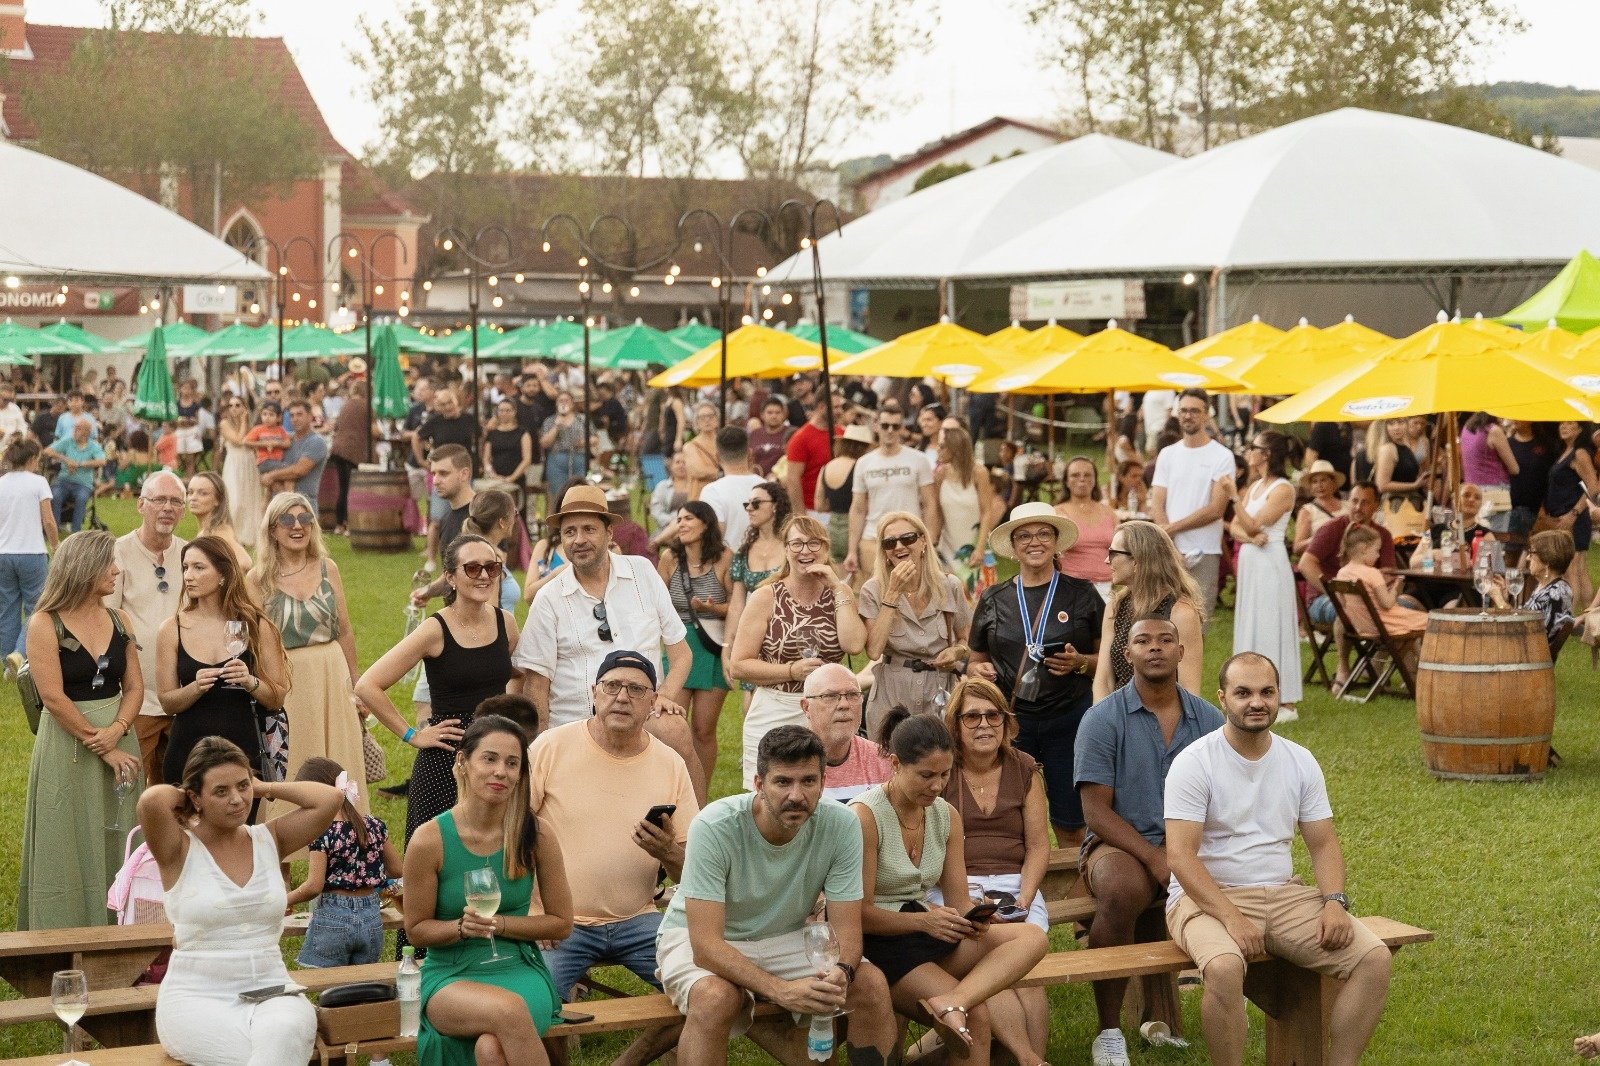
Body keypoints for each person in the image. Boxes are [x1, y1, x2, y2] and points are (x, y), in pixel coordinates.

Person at [1165, 652, 1393, 1066]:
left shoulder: (1299, 760)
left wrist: (1334, 902)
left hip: (1284, 896)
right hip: (1207, 900)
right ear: (1222, 698)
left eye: (1267, 692)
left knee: (1374, 959)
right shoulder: (1194, 762)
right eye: (1243, 693)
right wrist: (1232, 916)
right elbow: (1181, 857)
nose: (1257, 702)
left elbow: (1323, 843)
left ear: (1278, 696)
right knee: (1224, 968)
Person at [656, 725, 899, 1065]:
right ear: (759, 784)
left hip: (782, 936)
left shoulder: (842, 825)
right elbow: (706, 947)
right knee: (715, 998)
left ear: (823, 783)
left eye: (808, 781)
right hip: (703, 938)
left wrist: (841, 972)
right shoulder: (714, 826)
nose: (797, 795)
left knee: (869, 985)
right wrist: (781, 990)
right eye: (783, 782)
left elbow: (848, 934)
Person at [527, 650, 699, 1066]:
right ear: (594, 693)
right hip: (559, 922)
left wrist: (667, 853)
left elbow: (693, 865)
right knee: (532, 1003)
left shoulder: (670, 763)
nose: (622, 697)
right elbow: (510, 833)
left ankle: (627, 1062)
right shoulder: (551, 747)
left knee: (708, 992)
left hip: (640, 920)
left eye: (636, 689)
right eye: (612, 686)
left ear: (653, 701)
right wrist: (532, 910)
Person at [853, 710, 1050, 1066]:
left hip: (927, 929)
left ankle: (951, 1001)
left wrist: (974, 919)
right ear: (896, 764)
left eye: (944, 775)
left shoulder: (946, 815)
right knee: (976, 1019)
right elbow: (859, 915)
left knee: (1033, 937)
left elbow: (958, 900)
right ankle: (957, 1007)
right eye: (926, 775)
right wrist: (925, 922)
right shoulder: (865, 816)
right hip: (882, 943)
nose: (937, 785)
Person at [1075, 616, 1224, 1066]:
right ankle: (1108, 1031)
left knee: (1265, 884)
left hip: (1190, 842)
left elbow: (1226, 795)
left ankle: (1186, 1012)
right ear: (1128, 654)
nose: (1155, 648)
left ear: (1181, 651)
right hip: (1118, 842)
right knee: (1123, 891)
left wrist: (1182, 854)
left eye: (1165, 640)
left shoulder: (1209, 719)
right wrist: (1157, 856)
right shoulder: (1102, 718)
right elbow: (1095, 811)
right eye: (1143, 641)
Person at [142, 738, 342, 1066]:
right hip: (197, 997)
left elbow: (330, 798)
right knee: (256, 1057)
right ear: (195, 797)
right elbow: (152, 800)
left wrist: (262, 786)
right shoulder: (178, 850)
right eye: (221, 791)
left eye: (242, 786)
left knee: (285, 1031)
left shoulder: (270, 839)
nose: (237, 800)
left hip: (272, 989)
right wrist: (190, 794)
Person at [514, 484, 707, 800]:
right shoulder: (549, 599)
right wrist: (543, 744)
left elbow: (682, 653)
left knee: (674, 729)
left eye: (589, 529)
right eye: (569, 532)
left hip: (641, 714)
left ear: (609, 532)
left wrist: (665, 696)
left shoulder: (643, 573)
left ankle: (699, 833)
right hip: (579, 721)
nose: (579, 540)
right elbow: (536, 686)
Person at [401, 713, 571, 1065]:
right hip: (450, 976)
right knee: (508, 1011)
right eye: (489, 759)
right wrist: (460, 928)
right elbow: (416, 931)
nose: (501, 772)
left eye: (512, 763)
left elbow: (560, 923)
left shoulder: (536, 834)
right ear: (463, 762)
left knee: (490, 1050)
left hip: (520, 970)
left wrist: (500, 925)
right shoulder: (429, 840)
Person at [358, 534, 522, 854]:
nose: (485, 576)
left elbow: (512, 673)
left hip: (497, 756)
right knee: (438, 858)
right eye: (473, 568)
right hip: (447, 758)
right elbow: (368, 685)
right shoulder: (435, 630)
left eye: (492, 567)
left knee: (496, 852)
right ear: (450, 578)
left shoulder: (507, 624)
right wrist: (412, 734)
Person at [17, 531, 143, 929]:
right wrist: (105, 747)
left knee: (121, 829)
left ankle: (123, 924)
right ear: (84, 568)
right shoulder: (44, 623)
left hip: (121, 736)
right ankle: (66, 929)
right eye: (108, 564)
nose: (116, 571)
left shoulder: (118, 619)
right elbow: (52, 698)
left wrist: (120, 729)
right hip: (69, 743)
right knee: (67, 838)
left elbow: (136, 686)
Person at [968, 502, 1102, 845]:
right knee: (1011, 821)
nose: (1034, 542)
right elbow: (974, 660)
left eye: (1044, 533)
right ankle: (1023, 894)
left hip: (1069, 719)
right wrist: (978, 670)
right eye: (1024, 536)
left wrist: (1081, 663)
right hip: (1012, 724)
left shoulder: (1081, 593)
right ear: (1013, 546)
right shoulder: (994, 598)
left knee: (1071, 823)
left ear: (1056, 542)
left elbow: (1111, 661)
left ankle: (1074, 891)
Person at [932, 678, 1053, 1053]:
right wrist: (965, 899)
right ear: (955, 724)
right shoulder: (941, 771)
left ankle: (1029, 1058)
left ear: (1006, 721)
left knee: (1026, 976)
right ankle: (1029, 1059)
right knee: (991, 961)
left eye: (993, 715)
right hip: (955, 885)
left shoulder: (1024, 769)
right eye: (972, 717)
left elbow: (1037, 845)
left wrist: (1026, 896)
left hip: (1017, 884)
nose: (984, 725)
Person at [728, 515, 867, 790]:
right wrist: (791, 670)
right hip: (776, 706)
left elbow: (853, 645)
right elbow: (739, 665)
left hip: (826, 710)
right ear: (786, 550)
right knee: (770, 796)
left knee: (822, 792)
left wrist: (837, 587)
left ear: (826, 549)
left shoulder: (840, 593)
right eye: (797, 544)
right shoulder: (767, 596)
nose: (806, 551)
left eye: (814, 543)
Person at [252, 492, 367, 810]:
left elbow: (344, 630)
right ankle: (285, 847)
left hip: (332, 674)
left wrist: (355, 682)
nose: (298, 526)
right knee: (289, 763)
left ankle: (343, 839)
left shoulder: (328, 568)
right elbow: (254, 643)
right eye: (288, 519)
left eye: (305, 518)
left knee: (338, 758)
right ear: (273, 529)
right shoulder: (258, 579)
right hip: (286, 679)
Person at [157, 536, 291, 788]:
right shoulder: (172, 628)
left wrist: (250, 682)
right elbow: (167, 702)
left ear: (222, 574)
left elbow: (277, 698)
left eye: (199, 567)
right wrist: (194, 688)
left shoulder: (256, 626)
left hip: (242, 752)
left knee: (240, 826)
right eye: (185, 567)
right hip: (187, 753)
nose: (188, 576)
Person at [106, 471, 188, 784]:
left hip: (184, 693)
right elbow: (109, 621)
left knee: (183, 788)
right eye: (159, 500)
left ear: (183, 510)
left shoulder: (190, 553)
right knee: (134, 787)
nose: (168, 508)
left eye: (176, 502)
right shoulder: (118, 552)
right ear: (141, 505)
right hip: (138, 696)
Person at [858, 510, 971, 735]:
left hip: (938, 692)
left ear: (923, 542)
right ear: (885, 552)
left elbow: (966, 641)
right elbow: (874, 650)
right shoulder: (872, 590)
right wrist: (892, 593)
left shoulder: (949, 585)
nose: (899, 546)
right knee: (889, 764)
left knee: (939, 763)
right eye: (890, 543)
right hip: (893, 694)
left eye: (907, 538)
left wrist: (956, 653)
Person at [285, 758, 399, 967]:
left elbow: (313, 886)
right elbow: (397, 869)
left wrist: (284, 900)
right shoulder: (374, 825)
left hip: (333, 919)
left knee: (330, 991)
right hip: (371, 919)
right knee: (362, 989)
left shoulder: (321, 830)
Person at [1230, 431, 1304, 720]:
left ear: (1267, 454)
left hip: (1271, 563)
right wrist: (1249, 538)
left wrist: (1233, 497)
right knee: (1252, 621)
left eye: (1254, 447)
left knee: (1272, 623)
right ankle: (1248, 690)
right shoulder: (1255, 486)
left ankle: (1284, 700)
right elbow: (1236, 528)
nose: (1249, 452)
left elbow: (1252, 524)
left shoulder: (1283, 489)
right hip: (1252, 560)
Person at [1095, 521, 1208, 710]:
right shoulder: (1115, 607)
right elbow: (1103, 680)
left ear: (1138, 561)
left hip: (1163, 720)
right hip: (1118, 717)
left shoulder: (1180, 613)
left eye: (1113, 553)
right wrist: (1100, 722)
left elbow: (1190, 691)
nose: (1107, 560)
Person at [657, 500, 732, 780]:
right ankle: (674, 785)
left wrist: (712, 608)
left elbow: (737, 608)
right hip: (679, 645)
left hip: (712, 645)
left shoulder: (725, 557)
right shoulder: (670, 558)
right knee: (672, 725)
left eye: (688, 518)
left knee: (703, 728)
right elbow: (656, 603)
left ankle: (701, 791)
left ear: (706, 523)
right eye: (679, 520)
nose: (682, 524)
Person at [1297, 483, 1396, 688]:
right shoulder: (1332, 528)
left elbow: (1388, 574)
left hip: (1369, 597)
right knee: (1346, 608)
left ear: (1376, 506)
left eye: (1365, 502)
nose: (1358, 507)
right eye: (1354, 501)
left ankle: (1374, 667)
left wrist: (1374, 589)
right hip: (1324, 599)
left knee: (1407, 605)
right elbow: (1306, 563)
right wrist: (1335, 592)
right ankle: (1343, 668)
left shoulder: (1382, 535)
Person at [1149, 389, 1234, 618]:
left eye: (1195, 411)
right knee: (1162, 622)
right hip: (1168, 551)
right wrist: (1170, 544)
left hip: (1204, 549)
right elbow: (1157, 502)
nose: (1188, 416)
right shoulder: (1167, 454)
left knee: (1197, 622)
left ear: (1207, 415)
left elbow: (1216, 510)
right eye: (1184, 410)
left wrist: (1170, 529)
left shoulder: (1222, 456)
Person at [845, 401, 937, 581]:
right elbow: (858, 508)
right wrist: (851, 551)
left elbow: (930, 504)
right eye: (885, 425)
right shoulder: (864, 463)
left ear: (902, 428)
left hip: (910, 538)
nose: (890, 430)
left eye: (895, 426)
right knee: (876, 596)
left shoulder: (918, 460)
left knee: (913, 593)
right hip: (873, 538)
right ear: (876, 426)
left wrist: (930, 541)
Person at [1333, 524, 1428, 673]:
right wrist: (1397, 587)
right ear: (1364, 549)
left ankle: (1414, 673)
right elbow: (1388, 603)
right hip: (1384, 626)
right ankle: (1425, 670)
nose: (1378, 556)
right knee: (1430, 620)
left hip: (1361, 627)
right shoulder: (1372, 573)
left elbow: (1343, 603)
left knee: (1412, 631)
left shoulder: (1342, 573)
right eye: (1376, 550)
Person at [0, 438, 56, 675]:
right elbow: (49, 521)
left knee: (7, 608)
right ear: (32, 460)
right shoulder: (39, 482)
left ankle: (6, 663)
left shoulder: (1, 483)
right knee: (38, 606)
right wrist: (56, 545)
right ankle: (20, 652)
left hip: (4, 553)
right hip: (33, 552)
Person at [800, 662, 892, 802]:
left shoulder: (882, 760)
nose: (844, 704)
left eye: (852, 694)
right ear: (806, 707)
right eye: (830, 696)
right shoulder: (786, 760)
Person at [1491, 529, 1575, 655]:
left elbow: (1520, 632)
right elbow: (1524, 622)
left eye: (1532, 553)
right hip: (1522, 653)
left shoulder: (1555, 594)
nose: (1528, 557)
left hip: (1527, 659)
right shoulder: (1546, 587)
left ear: (1546, 560)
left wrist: (1499, 601)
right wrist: (1506, 597)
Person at [1546, 421, 1600, 607]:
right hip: (1563, 517)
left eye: (1571, 424)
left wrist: (1574, 513)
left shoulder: (1580, 453)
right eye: (1562, 423)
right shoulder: (1566, 451)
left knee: (1571, 570)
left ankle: (1567, 619)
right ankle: (1588, 617)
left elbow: (1593, 486)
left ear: (1580, 429)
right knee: (1580, 570)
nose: (1564, 426)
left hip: (1573, 519)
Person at [933, 424, 998, 572]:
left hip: (975, 544)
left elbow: (987, 512)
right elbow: (938, 513)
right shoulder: (940, 474)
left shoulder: (979, 473)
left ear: (954, 448)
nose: (938, 450)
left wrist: (980, 548)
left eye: (943, 446)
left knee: (978, 593)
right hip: (948, 545)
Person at [1056, 456, 1119, 600]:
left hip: (1106, 586)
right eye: (1075, 475)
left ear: (1095, 479)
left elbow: (1123, 550)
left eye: (1087, 474)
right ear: (1066, 481)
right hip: (1071, 586)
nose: (1082, 479)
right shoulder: (1057, 513)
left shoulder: (1109, 512)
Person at [700, 425, 766, 551]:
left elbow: (713, 539)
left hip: (730, 566)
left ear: (717, 457)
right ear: (749, 453)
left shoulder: (712, 492)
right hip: (768, 564)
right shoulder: (768, 487)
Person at [261, 401, 331, 512]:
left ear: (310, 417)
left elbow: (299, 470)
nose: (295, 419)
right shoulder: (286, 441)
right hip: (278, 504)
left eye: (299, 414)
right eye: (292, 415)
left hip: (304, 505)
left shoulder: (316, 442)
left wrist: (271, 476)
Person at [328, 379, 375, 536]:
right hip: (354, 451)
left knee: (342, 488)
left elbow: (336, 426)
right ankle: (349, 523)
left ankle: (339, 524)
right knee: (351, 489)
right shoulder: (366, 406)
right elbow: (375, 431)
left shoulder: (345, 405)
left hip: (338, 448)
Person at [786, 389, 841, 523]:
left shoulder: (841, 433)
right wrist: (801, 516)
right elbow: (793, 479)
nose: (840, 411)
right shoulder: (801, 438)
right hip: (813, 511)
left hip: (840, 511)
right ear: (822, 407)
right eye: (836, 407)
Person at [46, 413, 105, 534]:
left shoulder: (93, 446)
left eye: (78, 428)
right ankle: (55, 529)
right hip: (64, 481)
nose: (74, 431)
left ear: (87, 432)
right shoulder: (68, 441)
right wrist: (66, 459)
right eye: (74, 428)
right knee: (54, 495)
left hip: (83, 484)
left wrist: (79, 464)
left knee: (81, 498)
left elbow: (102, 461)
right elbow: (47, 451)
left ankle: (76, 532)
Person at [216, 394, 263, 548]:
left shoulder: (252, 425)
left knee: (248, 499)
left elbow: (254, 444)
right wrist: (243, 421)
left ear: (244, 408)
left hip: (248, 463)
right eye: (231, 405)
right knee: (234, 499)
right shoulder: (224, 424)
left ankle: (247, 535)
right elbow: (238, 440)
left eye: (238, 405)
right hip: (234, 464)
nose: (234, 409)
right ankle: (231, 535)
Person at [1460, 412, 1518, 533]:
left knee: (1473, 534)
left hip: (1470, 489)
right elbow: (1514, 468)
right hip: (1494, 492)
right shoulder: (1493, 431)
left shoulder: (1467, 428)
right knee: (1495, 542)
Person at [186, 471, 251, 570]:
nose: (193, 498)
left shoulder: (219, 532)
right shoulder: (207, 531)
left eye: (203, 493)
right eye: (190, 492)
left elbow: (244, 561)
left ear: (218, 500)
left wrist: (218, 580)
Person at [1507, 421, 1558, 538]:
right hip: (1511, 507)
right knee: (1510, 552)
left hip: (1537, 509)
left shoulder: (1545, 445)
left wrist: (1544, 506)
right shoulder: (1507, 444)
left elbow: (1551, 477)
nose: (1515, 419)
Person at [539, 390, 588, 510]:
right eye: (561, 400)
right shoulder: (550, 421)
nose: (564, 403)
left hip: (578, 458)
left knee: (579, 493)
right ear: (556, 404)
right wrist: (557, 426)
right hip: (557, 460)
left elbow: (594, 439)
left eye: (567, 400)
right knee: (558, 495)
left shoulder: (582, 419)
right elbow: (544, 443)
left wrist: (583, 442)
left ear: (572, 403)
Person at [1292, 460, 1346, 557]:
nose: (1319, 485)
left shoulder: (1348, 506)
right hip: (1323, 562)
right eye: (1315, 482)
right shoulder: (1307, 511)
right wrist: (1319, 538)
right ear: (1311, 487)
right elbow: (1297, 548)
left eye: (1323, 480)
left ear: (1333, 483)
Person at [482, 398, 533, 491]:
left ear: (514, 412)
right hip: (495, 481)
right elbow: (486, 459)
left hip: (517, 479)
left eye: (508, 410)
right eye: (501, 410)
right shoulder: (492, 434)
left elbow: (527, 459)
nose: (504, 413)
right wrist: (493, 475)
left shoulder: (523, 433)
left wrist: (512, 478)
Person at [649, 452, 693, 542]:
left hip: (691, 526)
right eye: (677, 462)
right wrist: (676, 521)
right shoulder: (662, 486)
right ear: (671, 466)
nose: (681, 466)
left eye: (684, 463)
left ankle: (657, 543)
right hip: (666, 527)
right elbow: (656, 512)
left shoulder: (695, 486)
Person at [748, 396, 793, 477]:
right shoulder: (754, 434)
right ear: (762, 415)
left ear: (784, 415)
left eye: (777, 412)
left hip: (780, 483)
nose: (774, 416)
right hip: (756, 481)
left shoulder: (792, 434)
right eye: (770, 413)